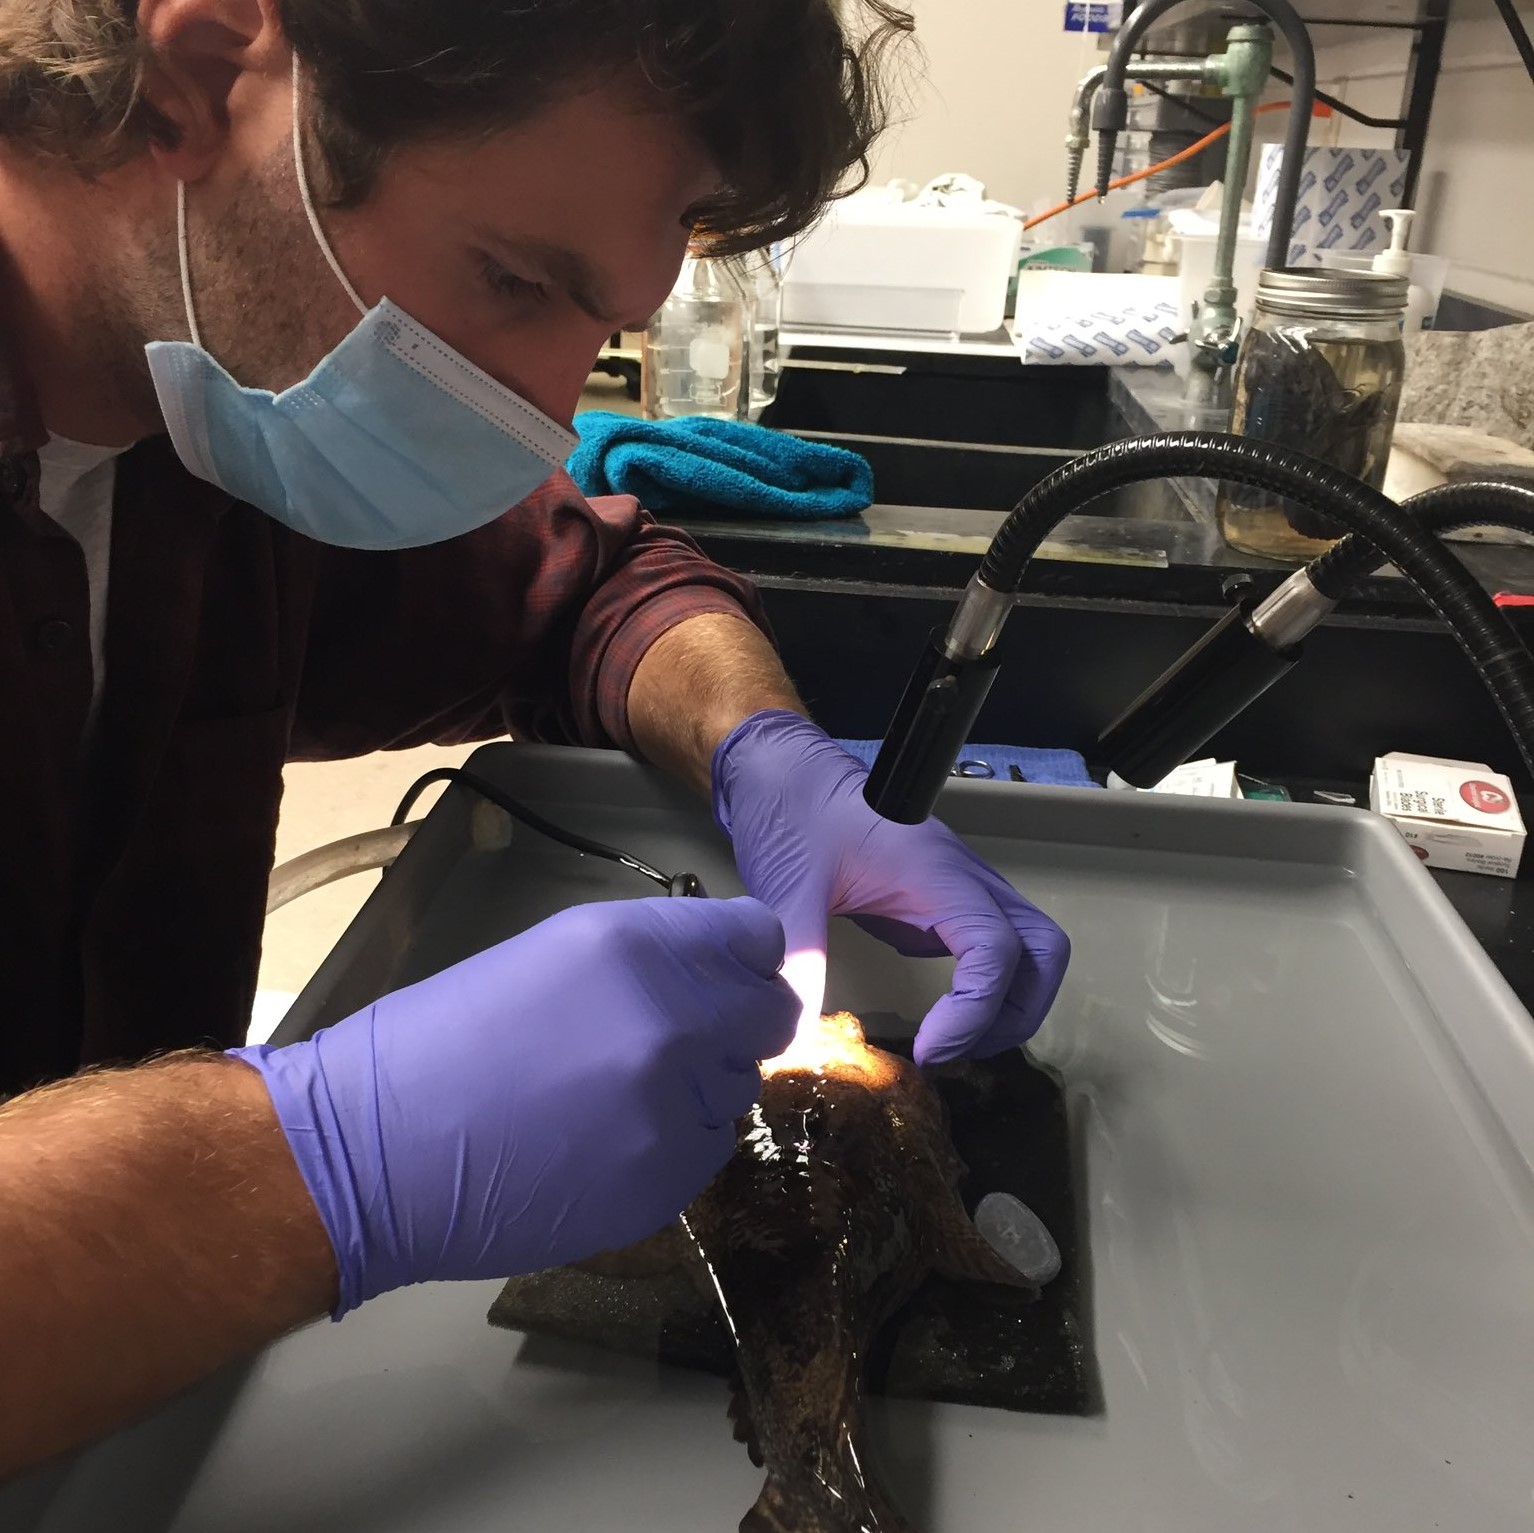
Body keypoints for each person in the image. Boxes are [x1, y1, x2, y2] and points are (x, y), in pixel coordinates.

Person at [0, 0, 1071, 1483]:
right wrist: (320, 1165)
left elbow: (585, 590)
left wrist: (763, 747)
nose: (548, 410)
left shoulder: (204, 414)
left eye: (602, 322)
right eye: (511, 279)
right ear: (196, 79)